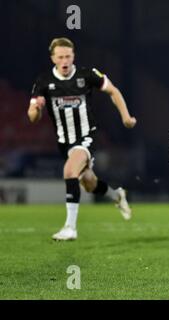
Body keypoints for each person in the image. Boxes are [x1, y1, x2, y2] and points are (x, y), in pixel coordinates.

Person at [28, 37, 137, 241]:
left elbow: (113, 91)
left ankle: (70, 228)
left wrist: (126, 117)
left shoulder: (87, 75)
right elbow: (32, 117)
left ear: (73, 56)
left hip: (87, 136)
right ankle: (117, 195)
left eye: (68, 56)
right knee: (88, 183)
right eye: (60, 57)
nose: (65, 60)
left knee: (69, 171)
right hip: (64, 142)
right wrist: (37, 108)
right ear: (53, 58)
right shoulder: (43, 82)